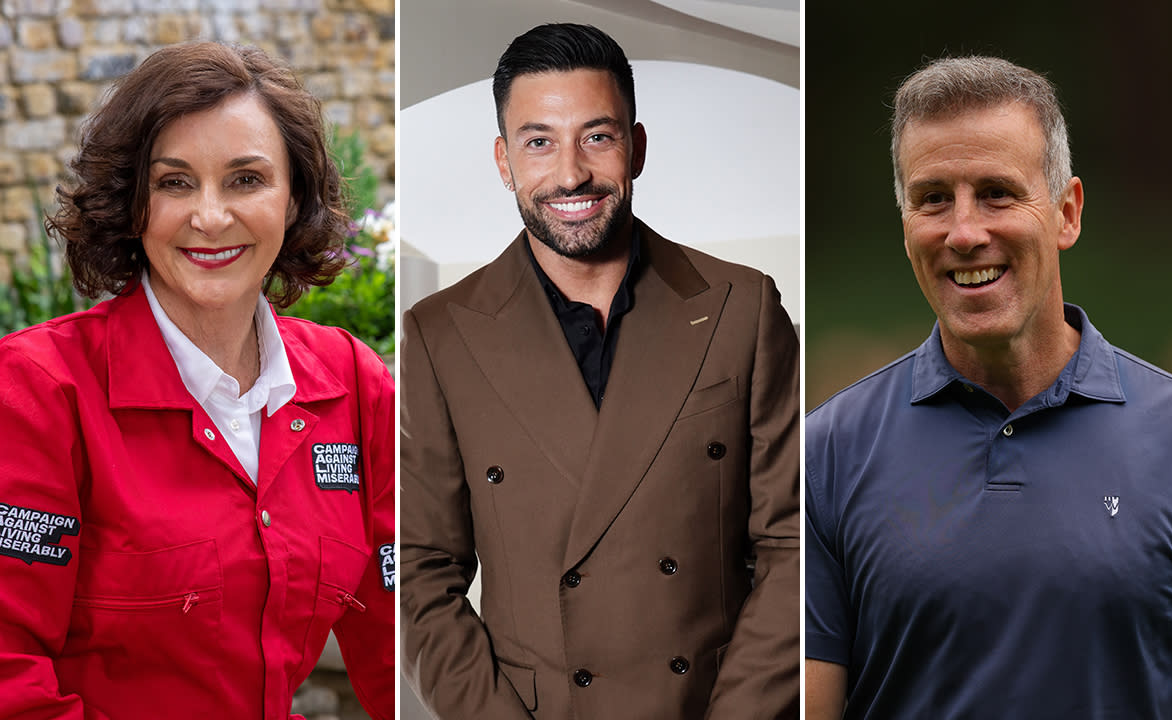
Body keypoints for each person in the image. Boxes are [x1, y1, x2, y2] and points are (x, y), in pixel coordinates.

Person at [399, 22, 799, 720]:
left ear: (637, 147)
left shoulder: (744, 308)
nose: (570, 173)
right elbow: (421, 570)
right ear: (504, 161)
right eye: (538, 142)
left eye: (598, 135)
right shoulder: (439, 334)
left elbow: (794, 544)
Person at [0, 42, 395, 719]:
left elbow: (406, 638)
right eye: (175, 182)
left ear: (294, 196)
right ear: (133, 203)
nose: (210, 218)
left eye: (246, 180)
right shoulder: (37, 391)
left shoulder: (352, 385)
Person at [805, 55, 1172, 718]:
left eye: (996, 193)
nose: (964, 232)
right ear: (906, 230)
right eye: (933, 199)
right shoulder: (827, 454)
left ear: (1067, 214)